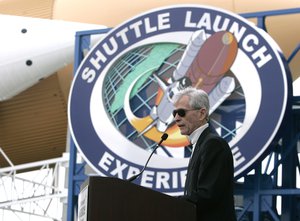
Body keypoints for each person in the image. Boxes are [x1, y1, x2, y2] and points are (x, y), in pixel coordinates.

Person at [172, 87, 236, 221]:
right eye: (174, 113)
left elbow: (207, 195)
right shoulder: (200, 144)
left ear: (201, 114)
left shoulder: (214, 144)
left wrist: (167, 203)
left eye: (181, 112)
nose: (176, 118)